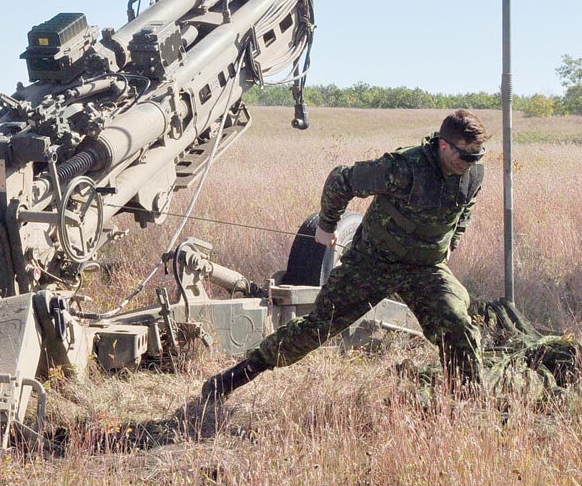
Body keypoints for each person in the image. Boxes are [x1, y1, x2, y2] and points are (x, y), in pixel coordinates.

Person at [202, 109, 490, 400]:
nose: (471, 163)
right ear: (443, 145)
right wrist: (326, 226)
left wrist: (453, 240)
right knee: (318, 327)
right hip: (373, 263)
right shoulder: (404, 168)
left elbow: (466, 207)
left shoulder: (473, 171)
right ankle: (236, 376)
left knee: (456, 321)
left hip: (426, 267)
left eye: (477, 156)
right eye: (465, 156)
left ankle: (469, 402)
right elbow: (341, 180)